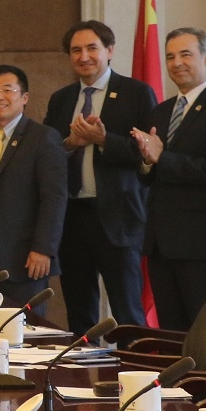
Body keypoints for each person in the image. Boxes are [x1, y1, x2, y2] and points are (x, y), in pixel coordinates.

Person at [44, 20, 156, 335]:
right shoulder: (61, 99)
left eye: (92, 48)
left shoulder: (137, 93)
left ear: (109, 51)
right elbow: (47, 154)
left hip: (119, 218)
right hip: (72, 219)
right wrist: (70, 143)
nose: (84, 57)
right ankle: (84, 367)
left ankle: (134, 366)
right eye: (76, 50)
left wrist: (104, 140)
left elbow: (149, 153)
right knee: (80, 314)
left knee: (128, 312)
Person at [132, 27, 206, 331]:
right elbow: (148, 176)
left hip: (201, 242)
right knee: (171, 334)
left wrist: (161, 158)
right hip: (160, 243)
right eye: (170, 56)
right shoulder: (160, 111)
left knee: (203, 331)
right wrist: (146, 162)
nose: (176, 63)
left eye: (186, 54)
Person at [0, 66, 66, 304]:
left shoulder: (43, 138)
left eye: (8, 90)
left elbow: (54, 199)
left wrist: (43, 248)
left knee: (23, 325)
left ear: (24, 97)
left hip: (25, 256)